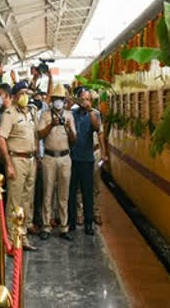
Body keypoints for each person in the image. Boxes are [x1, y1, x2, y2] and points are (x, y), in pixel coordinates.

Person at [0, 81, 38, 250]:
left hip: (30, 160)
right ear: (14, 96)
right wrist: (9, 164)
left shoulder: (29, 113)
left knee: (27, 200)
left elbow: (34, 135)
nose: (25, 96)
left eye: (27, 92)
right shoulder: (9, 114)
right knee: (14, 202)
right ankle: (11, 241)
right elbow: (1, 139)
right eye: (22, 92)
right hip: (17, 160)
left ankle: (22, 237)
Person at [36, 84, 76, 241]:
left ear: (64, 101)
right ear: (52, 101)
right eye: (55, 99)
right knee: (48, 192)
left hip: (65, 158)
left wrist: (68, 127)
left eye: (60, 99)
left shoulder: (69, 115)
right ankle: (46, 226)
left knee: (63, 194)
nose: (58, 102)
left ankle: (64, 226)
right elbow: (39, 135)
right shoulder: (45, 115)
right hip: (49, 158)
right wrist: (51, 124)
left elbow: (74, 140)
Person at [68, 88, 105, 236]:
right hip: (73, 158)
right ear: (78, 100)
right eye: (83, 99)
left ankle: (89, 222)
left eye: (88, 99)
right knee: (72, 192)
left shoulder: (94, 114)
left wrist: (90, 112)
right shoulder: (73, 114)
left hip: (88, 159)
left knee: (88, 192)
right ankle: (72, 222)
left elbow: (96, 128)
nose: (86, 102)